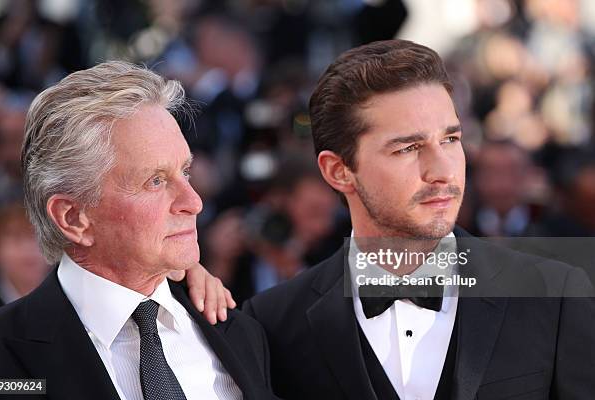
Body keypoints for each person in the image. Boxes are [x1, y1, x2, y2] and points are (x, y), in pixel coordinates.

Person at [241, 40, 595, 400]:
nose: (442, 171)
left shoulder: (554, 296)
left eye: (451, 139)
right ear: (339, 171)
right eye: (407, 149)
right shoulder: (272, 323)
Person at [0, 61, 277, 400]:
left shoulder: (240, 332)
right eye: (155, 181)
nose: (193, 202)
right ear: (73, 218)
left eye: (186, 172)